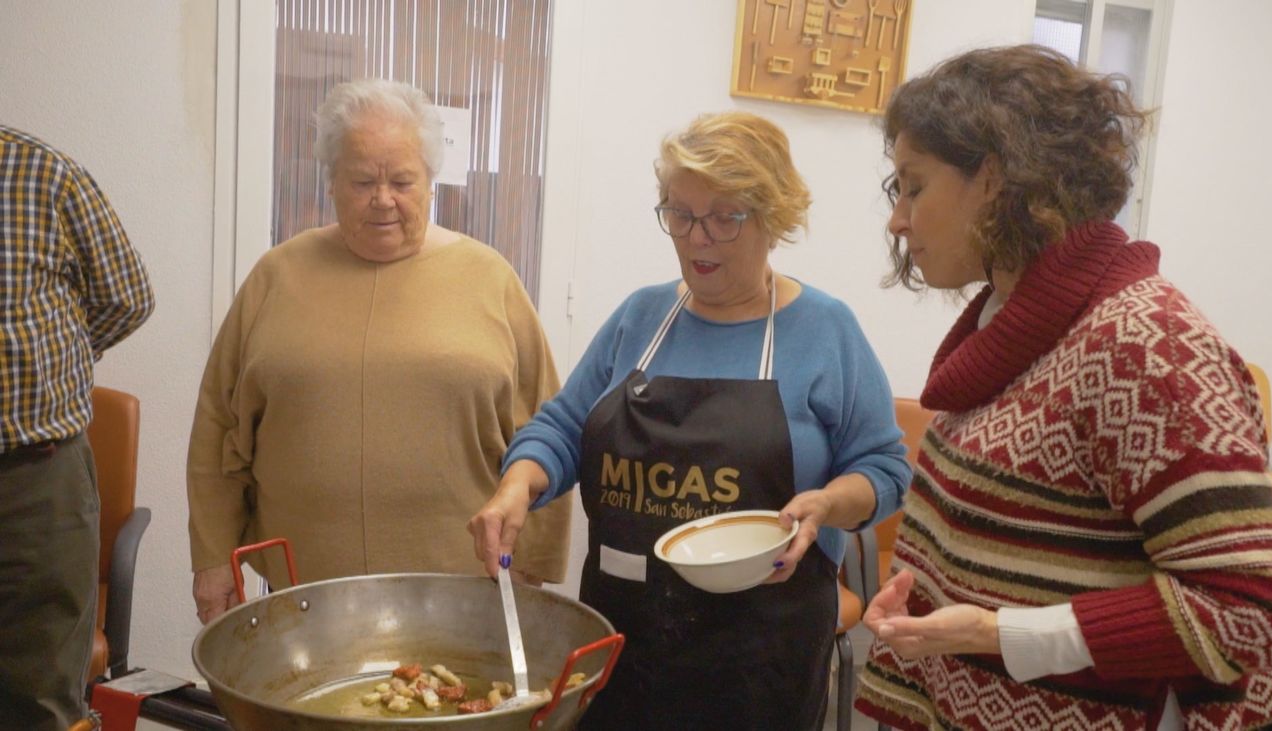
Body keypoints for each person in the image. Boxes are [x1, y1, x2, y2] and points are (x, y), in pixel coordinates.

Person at [856, 45, 1272, 730]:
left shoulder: (1145, 344)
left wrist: (1001, 633)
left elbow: (1257, 606)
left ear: (996, 179)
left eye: (913, 186)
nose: (898, 218)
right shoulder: (1009, 324)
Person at [469, 111, 911, 730]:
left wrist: (831, 504)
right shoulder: (640, 318)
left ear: (773, 219)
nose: (696, 237)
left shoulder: (825, 331)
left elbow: (884, 466)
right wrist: (518, 485)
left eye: (724, 217)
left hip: (762, 657)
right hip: (622, 641)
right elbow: (565, 427)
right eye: (679, 214)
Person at [187, 79, 571, 623]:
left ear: (432, 183)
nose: (383, 199)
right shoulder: (277, 277)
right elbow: (216, 431)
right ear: (332, 183)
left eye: (403, 181)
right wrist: (212, 560)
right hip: (302, 600)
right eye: (363, 180)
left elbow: (547, 429)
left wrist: (534, 570)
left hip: (463, 598)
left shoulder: (491, 279)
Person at [0, 126, 155, 730]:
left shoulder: (43, 174)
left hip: (35, 481)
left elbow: (127, 297)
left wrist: (48, 364)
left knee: (40, 701)